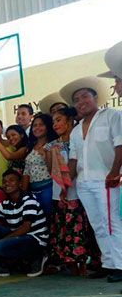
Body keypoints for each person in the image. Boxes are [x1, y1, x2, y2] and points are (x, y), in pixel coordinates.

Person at [62, 76, 122, 282]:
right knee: (97, 224)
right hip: (84, 183)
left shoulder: (111, 116)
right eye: (76, 99)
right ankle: (108, 263)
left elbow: (120, 145)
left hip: (106, 179)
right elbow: (73, 159)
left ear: (95, 97)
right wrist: (66, 185)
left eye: (85, 96)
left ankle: (120, 265)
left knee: (111, 222)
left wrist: (115, 172)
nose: (81, 102)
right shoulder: (76, 130)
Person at [44, 107, 100, 276]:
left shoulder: (82, 140)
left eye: (59, 120)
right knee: (65, 229)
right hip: (60, 194)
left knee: (83, 228)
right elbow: (50, 170)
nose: (55, 124)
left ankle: (89, 261)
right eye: (53, 121)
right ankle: (70, 263)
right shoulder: (51, 146)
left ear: (70, 121)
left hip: (81, 191)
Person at [0, 170, 49, 278]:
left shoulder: (28, 200)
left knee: (0, 245)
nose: (7, 183)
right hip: (19, 237)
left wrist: (5, 239)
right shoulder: (6, 204)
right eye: (4, 181)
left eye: (11, 180)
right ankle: (2, 266)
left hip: (35, 239)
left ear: (20, 183)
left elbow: (26, 228)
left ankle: (37, 257)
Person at [22, 114, 58, 215]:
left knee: (49, 217)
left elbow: (55, 169)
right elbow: (27, 170)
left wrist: (46, 155)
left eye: (41, 125)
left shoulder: (53, 144)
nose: (37, 128)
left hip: (48, 188)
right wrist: (24, 192)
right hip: (33, 190)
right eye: (35, 125)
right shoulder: (31, 146)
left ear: (48, 127)